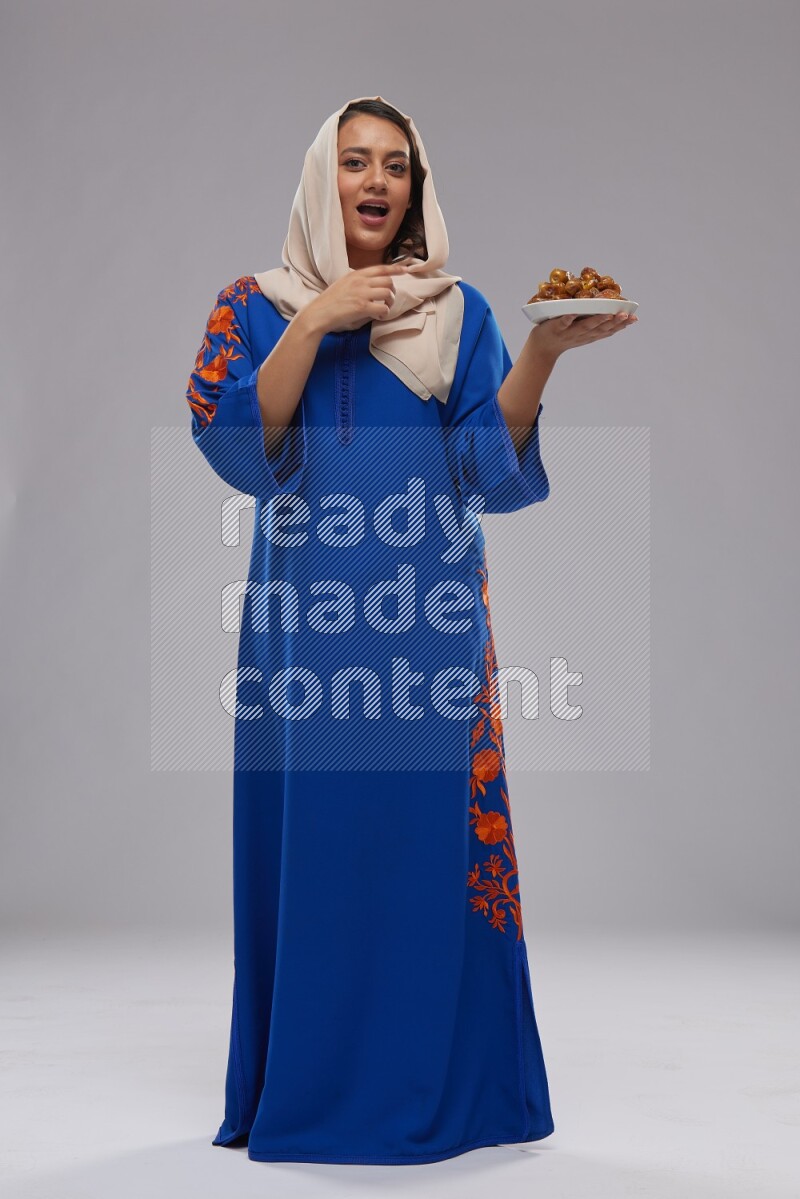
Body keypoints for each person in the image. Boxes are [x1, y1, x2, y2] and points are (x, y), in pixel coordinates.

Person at [185, 94, 637, 1167]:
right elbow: (236, 442)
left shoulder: (457, 312)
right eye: (353, 161)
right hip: (307, 631)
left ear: (415, 186)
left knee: (424, 849)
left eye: (395, 163)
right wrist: (317, 317)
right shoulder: (252, 305)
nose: (376, 180)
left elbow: (487, 464)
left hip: (427, 629)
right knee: (323, 846)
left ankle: (446, 1083)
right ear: (319, 179)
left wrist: (541, 351)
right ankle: (312, 1080)